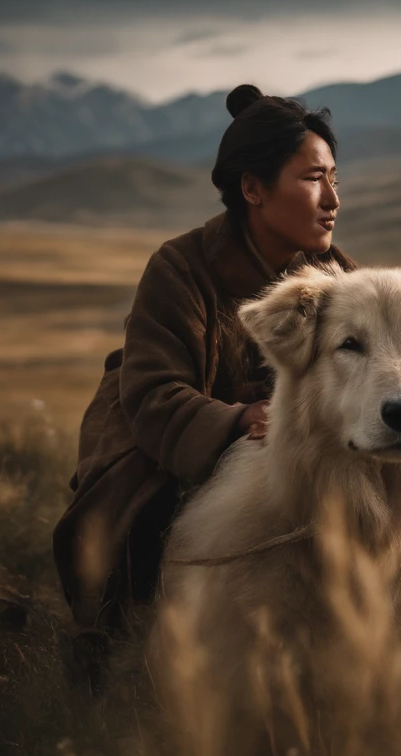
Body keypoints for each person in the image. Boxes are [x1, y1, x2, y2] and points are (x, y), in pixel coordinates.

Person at [52, 84, 354, 641]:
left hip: (271, 436)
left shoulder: (340, 281)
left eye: (334, 177)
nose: (334, 199)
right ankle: (112, 643)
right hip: (159, 436)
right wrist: (238, 420)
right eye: (314, 179)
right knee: (135, 522)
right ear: (253, 189)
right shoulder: (180, 268)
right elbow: (152, 393)